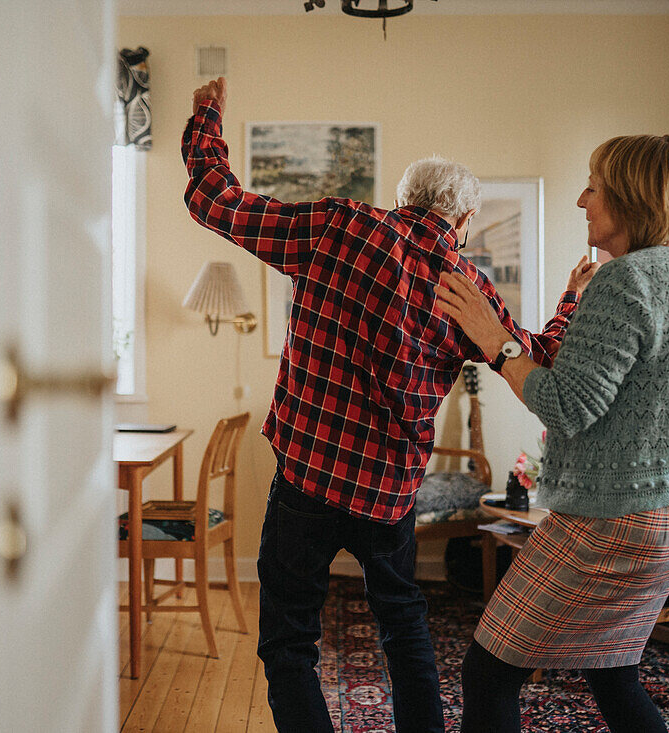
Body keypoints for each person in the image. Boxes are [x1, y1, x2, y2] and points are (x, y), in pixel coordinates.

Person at [182, 77, 596, 733]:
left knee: (288, 640)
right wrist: (574, 298)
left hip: (308, 476)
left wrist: (207, 115)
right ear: (460, 224)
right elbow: (541, 354)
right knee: (404, 631)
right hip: (388, 491)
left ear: (401, 201)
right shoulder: (467, 289)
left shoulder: (338, 225)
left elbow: (215, 200)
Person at [435, 134, 669, 733]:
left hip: (607, 523)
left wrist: (491, 339)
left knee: (487, 672)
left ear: (630, 198)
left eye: (594, 186)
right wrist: (572, 305)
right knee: (613, 672)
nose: (582, 199)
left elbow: (567, 404)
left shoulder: (625, 280)